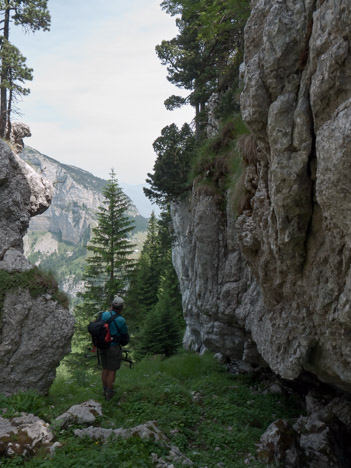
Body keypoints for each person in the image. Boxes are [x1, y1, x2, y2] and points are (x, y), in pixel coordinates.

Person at [100, 295, 128, 401]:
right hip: (113, 347)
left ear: (112, 305)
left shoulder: (104, 315)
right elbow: (124, 333)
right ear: (121, 308)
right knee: (112, 370)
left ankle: (104, 389)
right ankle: (109, 393)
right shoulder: (121, 320)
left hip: (102, 346)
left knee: (105, 368)